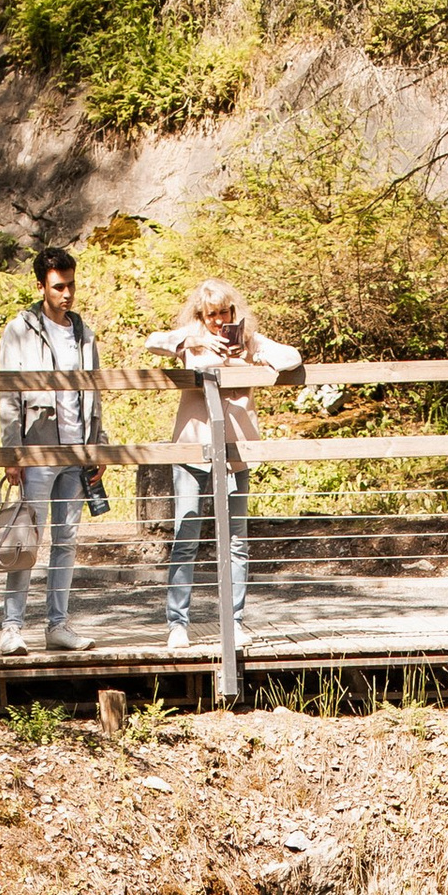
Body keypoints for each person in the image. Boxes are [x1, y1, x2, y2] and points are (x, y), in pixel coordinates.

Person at [143, 280, 304, 656]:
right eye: (211, 314)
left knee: (236, 541)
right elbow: (153, 342)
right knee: (186, 535)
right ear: (201, 315)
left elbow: (292, 357)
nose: (218, 321)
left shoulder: (248, 340)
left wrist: (257, 356)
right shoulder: (192, 338)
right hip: (193, 449)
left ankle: (234, 621)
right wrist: (195, 342)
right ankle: (177, 624)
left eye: (224, 312)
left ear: (234, 312)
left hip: (236, 452)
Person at [0, 245, 111, 654]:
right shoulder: (19, 330)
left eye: (71, 285)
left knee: (67, 540)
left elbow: (95, 392)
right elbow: (8, 393)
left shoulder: (83, 332)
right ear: (41, 286)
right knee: (27, 539)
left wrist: (98, 446)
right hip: (39, 449)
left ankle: (58, 625)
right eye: (59, 286)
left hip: (77, 451)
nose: (67, 294)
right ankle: (12, 628)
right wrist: (13, 453)